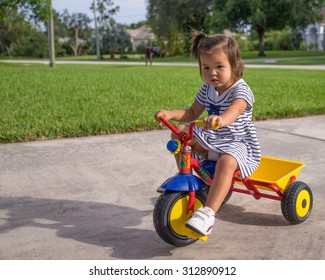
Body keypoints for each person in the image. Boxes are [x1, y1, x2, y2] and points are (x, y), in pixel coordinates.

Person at [154, 29, 261, 236]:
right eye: (206, 67)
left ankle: (208, 213)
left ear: (235, 66)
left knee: (227, 161)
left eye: (219, 66)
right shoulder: (207, 88)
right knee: (180, 134)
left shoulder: (241, 90)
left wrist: (221, 119)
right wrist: (170, 114)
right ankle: (184, 177)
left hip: (238, 143)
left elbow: (234, 110)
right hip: (214, 139)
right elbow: (192, 112)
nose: (212, 72)